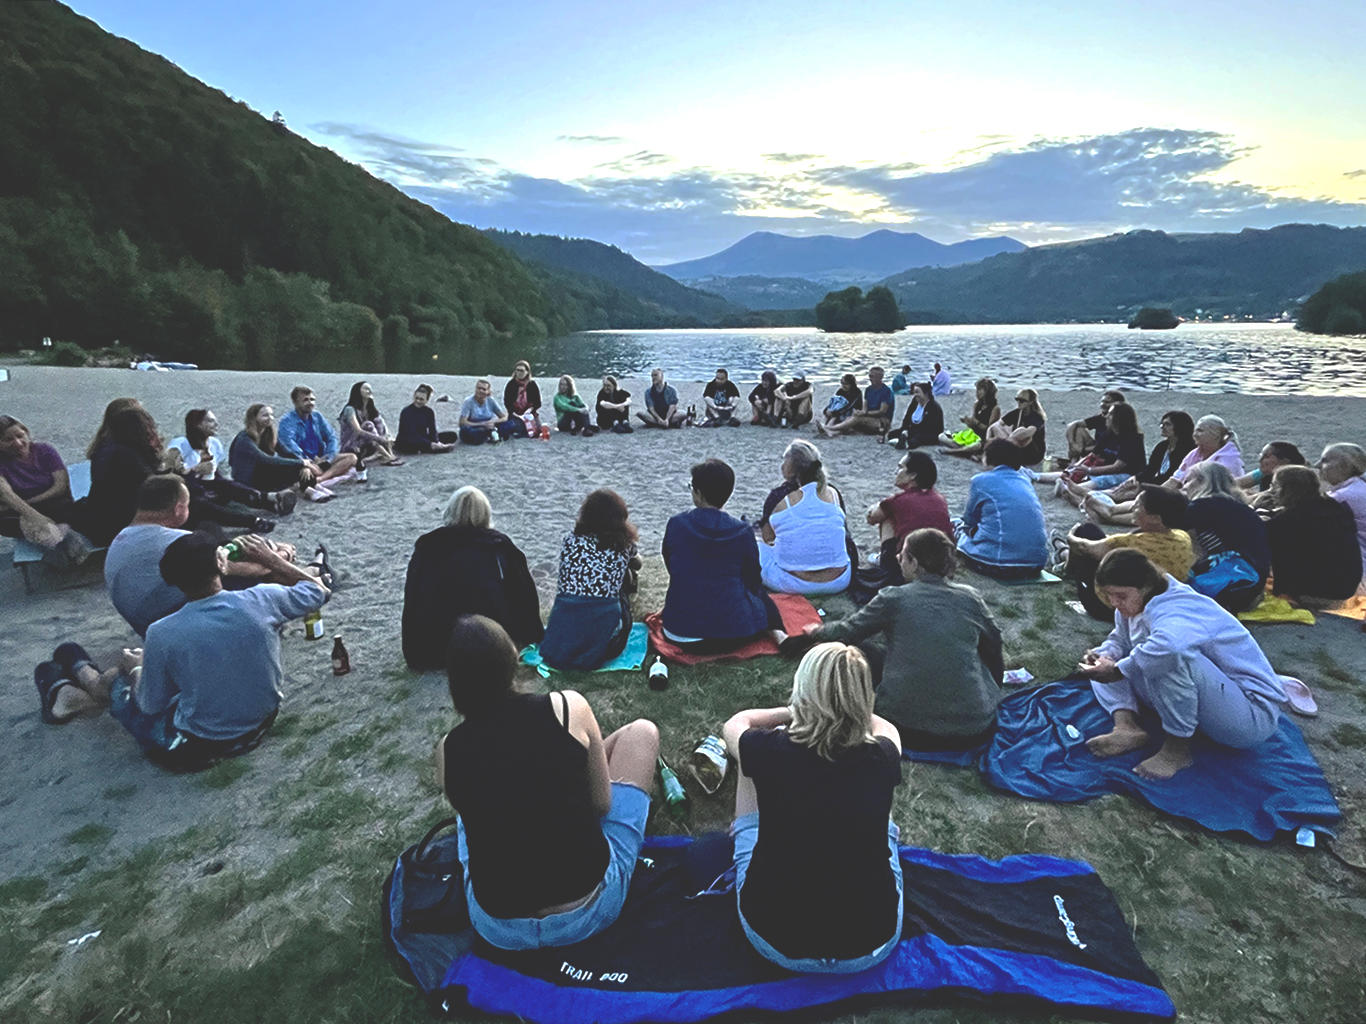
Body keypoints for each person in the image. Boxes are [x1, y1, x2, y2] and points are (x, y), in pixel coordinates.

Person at [436, 614, 659, 950]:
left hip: (498, 928)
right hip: (589, 907)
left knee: (470, 817)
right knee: (642, 732)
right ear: (513, 656)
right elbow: (601, 805)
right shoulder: (567, 707)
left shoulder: (448, 748)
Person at [723, 642, 903, 973]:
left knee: (747, 759)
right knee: (884, 815)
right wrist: (849, 707)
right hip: (871, 943)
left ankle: (745, 831)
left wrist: (794, 712)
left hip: (774, 939)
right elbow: (884, 729)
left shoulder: (769, 750)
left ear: (802, 691)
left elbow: (738, 722)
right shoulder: (884, 754)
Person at [109, 533, 328, 769]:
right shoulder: (261, 599)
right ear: (222, 565)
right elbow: (319, 591)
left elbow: (150, 704)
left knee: (120, 687)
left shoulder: (161, 632)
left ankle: (83, 679)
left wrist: (137, 668)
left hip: (208, 741)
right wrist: (271, 560)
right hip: (263, 718)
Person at [1079, 549, 1288, 780]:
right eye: (1110, 596)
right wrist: (1104, 656)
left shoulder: (1179, 608)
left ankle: (1177, 751)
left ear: (1145, 586)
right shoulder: (1135, 603)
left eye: (1120, 596)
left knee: (1168, 658)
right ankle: (1127, 726)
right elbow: (1120, 639)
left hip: (1249, 714)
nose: (1114, 603)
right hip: (1208, 698)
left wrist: (1117, 670)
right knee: (1108, 660)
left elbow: (1170, 649)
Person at [806, 528, 1003, 750]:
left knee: (858, 650)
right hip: (974, 728)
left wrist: (817, 631)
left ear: (915, 563)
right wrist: (993, 689)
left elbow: (849, 630)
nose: (898, 558)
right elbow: (994, 647)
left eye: (903, 554)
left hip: (902, 727)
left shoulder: (894, 598)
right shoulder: (970, 598)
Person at [104, 475, 314, 637]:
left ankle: (307, 575)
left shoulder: (122, 538)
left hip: (144, 623)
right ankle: (311, 579)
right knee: (259, 576)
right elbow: (252, 569)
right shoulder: (173, 541)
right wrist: (282, 553)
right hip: (174, 618)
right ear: (178, 509)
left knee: (214, 541)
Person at [401, 486, 543, 670]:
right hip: (489, 645)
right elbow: (524, 597)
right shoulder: (498, 547)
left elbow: (413, 597)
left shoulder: (428, 548)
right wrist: (532, 634)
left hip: (434, 648)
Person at [661, 459, 781, 651]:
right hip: (735, 632)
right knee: (760, 596)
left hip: (681, 632)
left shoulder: (677, 524)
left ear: (698, 494)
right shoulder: (741, 531)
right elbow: (752, 578)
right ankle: (780, 634)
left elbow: (671, 563)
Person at [540, 490, 642, 670]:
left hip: (565, 627)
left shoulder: (569, 541)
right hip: (607, 640)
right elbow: (638, 563)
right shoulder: (623, 545)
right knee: (622, 584)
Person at [1066, 485, 1193, 621]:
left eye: (1138, 506)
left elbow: (1084, 547)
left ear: (1155, 518)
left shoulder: (1131, 543)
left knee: (1086, 532)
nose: (1133, 508)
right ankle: (1064, 558)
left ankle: (1066, 567)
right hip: (1161, 606)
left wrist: (1071, 536)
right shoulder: (1183, 537)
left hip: (1113, 609)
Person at [760, 441, 851, 596]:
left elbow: (768, 538)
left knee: (758, 546)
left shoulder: (779, 496)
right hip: (839, 580)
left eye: (785, 460)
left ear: (791, 467)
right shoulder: (832, 493)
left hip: (794, 583)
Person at [1264, 465, 1363, 603]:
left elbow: (1264, 537)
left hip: (1317, 591)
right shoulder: (1335, 509)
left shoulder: (1291, 520)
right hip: (1347, 585)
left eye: (1274, 486)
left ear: (1288, 489)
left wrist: (1255, 510)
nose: (1271, 492)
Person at [0, 415, 91, 563]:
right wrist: (36, 517)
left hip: (50, 502)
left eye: (20, 436)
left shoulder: (44, 450)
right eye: (8, 440)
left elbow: (61, 486)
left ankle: (52, 540)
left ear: (26, 432)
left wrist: (30, 505)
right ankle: (58, 538)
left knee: (65, 508)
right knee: (4, 523)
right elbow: (7, 495)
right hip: (21, 510)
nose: (17, 443)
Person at [1181, 462, 1270, 613]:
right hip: (1253, 582)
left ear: (1203, 481)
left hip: (1227, 580)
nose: (1184, 486)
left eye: (1188, 480)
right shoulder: (1240, 507)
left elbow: (1186, 547)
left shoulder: (1201, 507)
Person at [170, 409, 295, 517]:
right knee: (224, 496)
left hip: (211, 488)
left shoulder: (214, 444)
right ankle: (270, 500)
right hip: (190, 492)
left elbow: (217, 474)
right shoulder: (181, 443)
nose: (216, 424)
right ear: (197, 425)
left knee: (229, 487)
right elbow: (168, 469)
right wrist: (194, 470)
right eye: (210, 421)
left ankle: (272, 504)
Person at [954, 440, 1049, 579]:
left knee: (955, 525)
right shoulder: (1024, 480)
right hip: (1035, 564)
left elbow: (969, 520)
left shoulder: (980, 480)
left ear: (989, 458)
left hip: (997, 563)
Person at [865, 449, 953, 585]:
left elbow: (872, 518)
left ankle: (885, 560)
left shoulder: (899, 501)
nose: (896, 472)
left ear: (912, 475)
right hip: (941, 565)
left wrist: (878, 505)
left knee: (887, 518)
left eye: (900, 468)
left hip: (910, 564)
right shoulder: (939, 498)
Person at [1039, 402, 1147, 507]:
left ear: (1119, 419)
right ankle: (1035, 476)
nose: (1106, 416)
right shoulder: (1109, 433)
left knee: (1102, 480)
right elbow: (1094, 454)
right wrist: (1077, 466)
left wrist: (1089, 470)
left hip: (1127, 474)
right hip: (1105, 468)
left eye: (1110, 414)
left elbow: (1117, 467)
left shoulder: (1133, 439)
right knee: (1074, 471)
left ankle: (1070, 490)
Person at [84, 405, 164, 545]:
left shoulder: (111, 449)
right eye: (148, 428)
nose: (152, 431)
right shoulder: (126, 456)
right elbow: (155, 488)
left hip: (100, 520)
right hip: (117, 527)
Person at [230, 404, 329, 501]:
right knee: (288, 466)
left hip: (262, 472)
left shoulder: (269, 435)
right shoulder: (244, 440)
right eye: (265, 416)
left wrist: (304, 465)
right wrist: (301, 463)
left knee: (295, 466)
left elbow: (287, 453)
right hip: (248, 479)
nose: (270, 418)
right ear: (254, 418)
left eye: (271, 415)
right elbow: (265, 459)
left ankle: (310, 487)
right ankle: (308, 490)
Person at [276, 386, 361, 486]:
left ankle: (320, 479)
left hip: (320, 458)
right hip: (299, 459)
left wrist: (328, 458)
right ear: (295, 402)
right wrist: (307, 461)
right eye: (305, 400)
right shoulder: (287, 422)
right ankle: (324, 474)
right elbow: (289, 445)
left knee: (352, 458)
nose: (310, 403)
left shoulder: (317, 417)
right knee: (311, 470)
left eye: (312, 399)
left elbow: (331, 437)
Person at [1318, 443, 1366, 593]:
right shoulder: (1359, 488)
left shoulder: (1343, 497)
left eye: (1325, 460)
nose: (1318, 465)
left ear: (1344, 466)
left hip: (1358, 575)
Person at [339, 381, 403, 467]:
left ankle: (387, 452)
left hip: (366, 443)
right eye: (366, 388)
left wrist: (386, 437)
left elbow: (381, 425)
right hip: (351, 444)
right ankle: (385, 454)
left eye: (370, 389)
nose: (369, 390)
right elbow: (358, 431)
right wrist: (380, 439)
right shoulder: (349, 409)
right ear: (358, 391)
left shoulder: (369, 409)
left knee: (377, 420)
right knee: (368, 425)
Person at [822, 367, 894, 437]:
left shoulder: (886, 392)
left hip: (882, 421)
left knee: (856, 419)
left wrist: (865, 413)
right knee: (849, 418)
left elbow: (881, 412)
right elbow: (865, 407)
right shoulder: (868, 390)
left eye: (872, 376)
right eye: (869, 376)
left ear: (880, 377)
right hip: (869, 417)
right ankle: (833, 432)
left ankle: (830, 428)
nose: (870, 379)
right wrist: (860, 412)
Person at [983, 388, 1046, 466]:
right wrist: (988, 440)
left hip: (1033, 453)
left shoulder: (1036, 417)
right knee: (996, 428)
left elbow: (1028, 433)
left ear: (1031, 402)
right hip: (1016, 445)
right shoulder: (1016, 413)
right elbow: (994, 426)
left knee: (1022, 431)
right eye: (1017, 400)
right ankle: (1003, 450)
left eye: (1022, 401)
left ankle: (1005, 451)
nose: (1019, 403)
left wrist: (1008, 439)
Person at [939, 377, 1000, 456]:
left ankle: (955, 451)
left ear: (987, 391)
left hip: (983, 438)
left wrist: (976, 422)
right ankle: (964, 450)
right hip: (972, 435)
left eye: (980, 390)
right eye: (977, 389)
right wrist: (968, 422)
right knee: (941, 436)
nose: (977, 392)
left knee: (977, 446)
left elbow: (990, 430)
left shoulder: (995, 408)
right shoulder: (977, 404)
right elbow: (973, 426)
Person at [1064, 390, 1126, 464]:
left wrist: (1081, 450)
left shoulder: (1120, 423)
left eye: (1107, 402)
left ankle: (1075, 463)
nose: (1103, 404)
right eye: (1102, 401)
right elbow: (1072, 425)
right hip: (1095, 448)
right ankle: (1074, 461)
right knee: (1078, 429)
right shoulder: (1100, 418)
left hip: (1108, 454)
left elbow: (1107, 446)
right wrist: (1074, 445)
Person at [1238, 441, 1305, 509]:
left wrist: (1244, 495)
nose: (1260, 460)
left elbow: (1268, 496)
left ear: (1284, 461)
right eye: (1261, 455)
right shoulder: (1265, 472)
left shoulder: (1297, 478)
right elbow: (1233, 484)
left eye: (1266, 456)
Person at [396, 384, 457, 454]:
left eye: (421, 399)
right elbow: (411, 433)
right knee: (409, 444)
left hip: (423, 437)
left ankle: (435, 447)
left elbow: (433, 430)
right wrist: (429, 444)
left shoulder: (429, 412)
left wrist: (436, 441)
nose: (418, 401)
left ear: (427, 400)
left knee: (452, 435)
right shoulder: (406, 412)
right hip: (409, 438)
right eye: (416, 398)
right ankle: (434, 448)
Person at [459, 379, 515, 444]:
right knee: (465, 430)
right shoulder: (468, 402)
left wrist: (492, 422)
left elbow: (504, 417)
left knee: (510, 423)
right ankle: (490, 436)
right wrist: (482, 424)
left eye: (484, 389)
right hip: (475, 426)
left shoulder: (490, 400)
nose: (481, 391)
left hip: (490, 425)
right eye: (479, 388)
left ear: (488, 391)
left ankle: (491, 435)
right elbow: (462, 422)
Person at [890, 382, 944, 449]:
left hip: (929, 433)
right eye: (914, 392)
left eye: (917, 392)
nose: (915, 395)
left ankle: (906, 444)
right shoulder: (915, 402)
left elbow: (927, 428)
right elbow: (907, 417)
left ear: (926, 393)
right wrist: (905, 429)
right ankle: (901, 441)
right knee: (892, 434)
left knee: (917, 438)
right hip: (914, 429)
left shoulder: (933, 407)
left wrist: (909, 433)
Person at [503, 360, 543, 436]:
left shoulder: (532, 385)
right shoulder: (511, 384)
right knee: (517, 426)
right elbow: (507, 401)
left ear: (527, 372)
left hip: (529, 412)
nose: (519, 373)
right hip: (515, 413)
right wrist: (514, 412)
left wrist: (530, 409)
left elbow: (538, 402)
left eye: (521, 370)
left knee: (537, 428)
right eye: (517, 370)